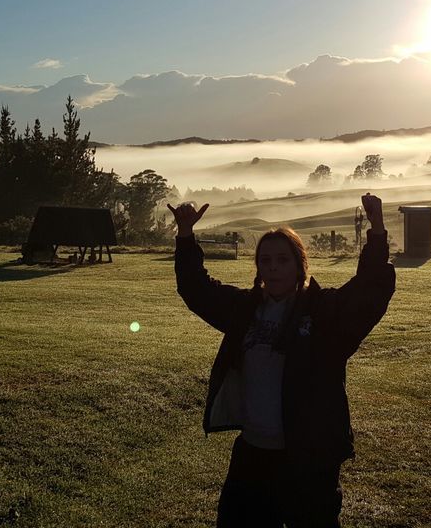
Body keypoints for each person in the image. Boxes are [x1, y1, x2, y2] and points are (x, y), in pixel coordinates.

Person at [169, 193, 395, 527]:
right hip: (253, 455)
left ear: (300, 264)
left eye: (282, 260)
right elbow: (196, 289)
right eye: (266, 260)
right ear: (258, 267)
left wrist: (376, 230)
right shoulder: (245, 309)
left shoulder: (323, 313)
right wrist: (186, 234)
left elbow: (369, 291)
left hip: (309, 458)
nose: (273, 268)